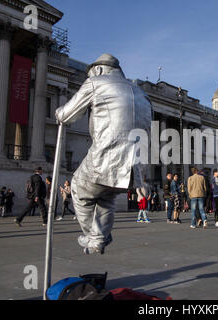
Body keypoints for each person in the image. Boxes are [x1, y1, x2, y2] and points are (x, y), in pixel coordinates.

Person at [55, 53, 152, 255]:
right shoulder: (141, 92)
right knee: (106, 198)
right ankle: (99, 239)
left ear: (98, 69)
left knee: (79, 189)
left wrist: (57, 113)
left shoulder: (96, 82)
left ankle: (95, 237)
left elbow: (67, 115)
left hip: (106, 155)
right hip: (134, 166)